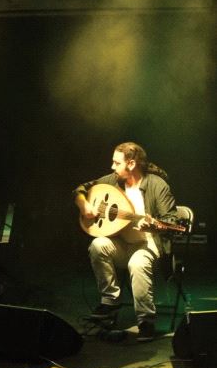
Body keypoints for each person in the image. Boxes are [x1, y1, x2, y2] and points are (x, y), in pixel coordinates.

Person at [73, 142, 178, 342]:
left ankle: (146, 321)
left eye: (116, 163)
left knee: (137, 263)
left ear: (131, 164)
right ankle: (110, 301)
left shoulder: (157, 185)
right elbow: (79, 189)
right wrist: (84, 204)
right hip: (121, 245)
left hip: (148, 246)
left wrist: (154, 226)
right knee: (98, 245)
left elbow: (172, 221)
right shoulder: (112, 181)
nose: (112, 167)